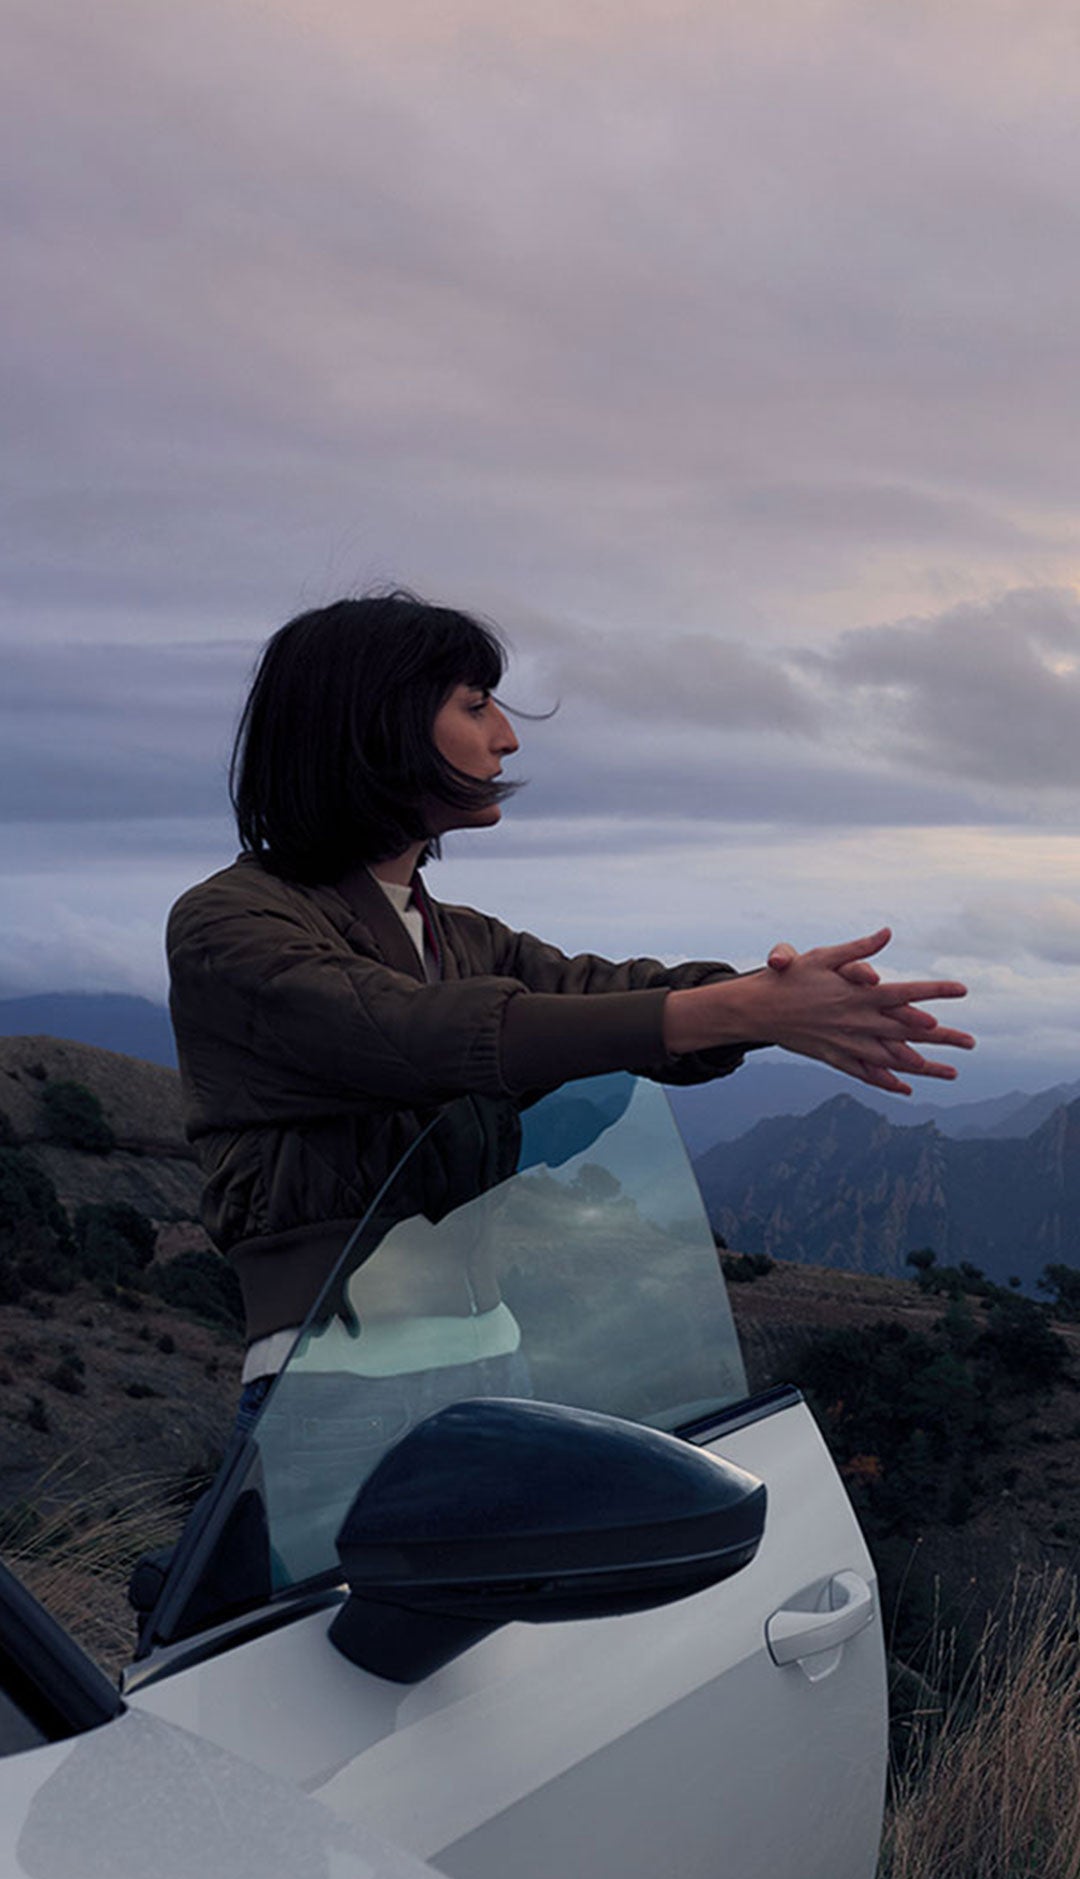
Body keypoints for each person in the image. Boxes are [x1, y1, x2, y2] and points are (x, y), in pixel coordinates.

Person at [167, 591, 974, 1422]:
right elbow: (419, 1035)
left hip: (495, 1363)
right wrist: (743, 1011)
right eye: (475, 705)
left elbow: (603, 996)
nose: (506, 737)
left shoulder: (460, 936)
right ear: (375, 726)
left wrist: (775, 998)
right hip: (330, 1389)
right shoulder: (229, 926)